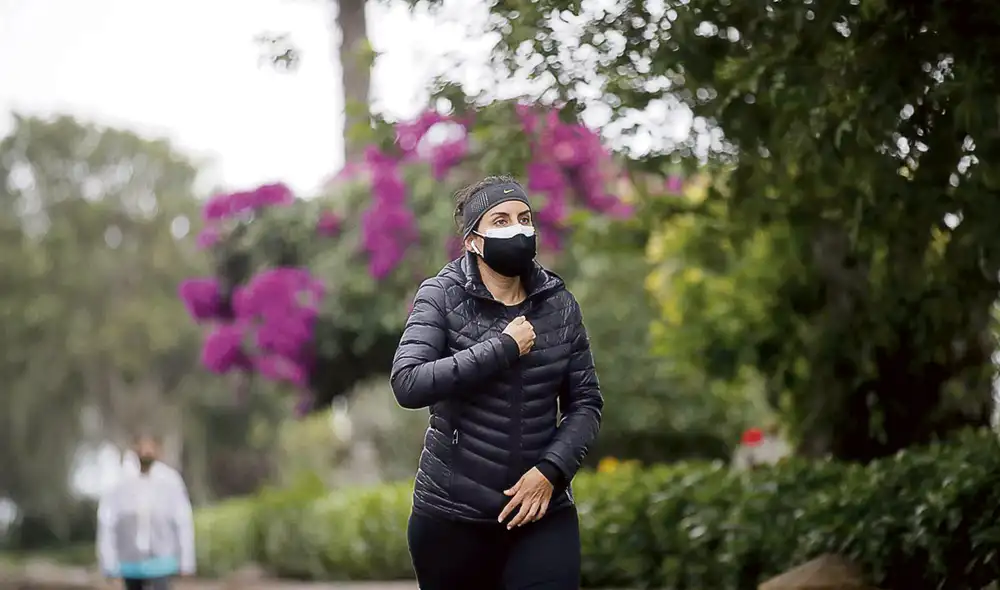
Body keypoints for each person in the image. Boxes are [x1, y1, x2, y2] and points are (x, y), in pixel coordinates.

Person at [390, 175, 604, 590]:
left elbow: (586, 403)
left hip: (541, 510)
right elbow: (408, 382)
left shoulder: (558, 304)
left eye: (524, 218)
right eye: (501, 220)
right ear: (473, 240)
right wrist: (502, 348)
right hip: (452, 518)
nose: (518, 228)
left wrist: (552, 470)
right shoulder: (440, 296)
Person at [97, 433, 196, 590]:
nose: (146, 451)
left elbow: (183, 520)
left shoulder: (170, 480)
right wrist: (108, 563)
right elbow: (107, 522)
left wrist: (186, 561)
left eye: (150, 446)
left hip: (162, 560)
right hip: (130, 562)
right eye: (142, 446)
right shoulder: (120, 482)